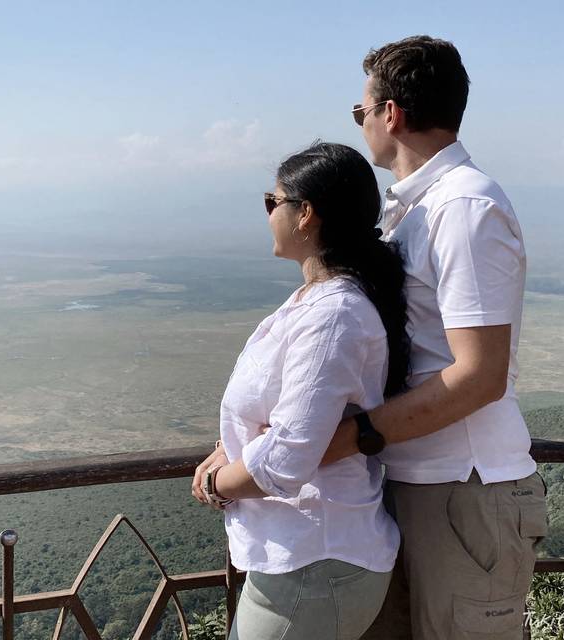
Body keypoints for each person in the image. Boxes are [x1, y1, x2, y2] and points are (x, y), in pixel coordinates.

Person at [321, 36, 548, 640]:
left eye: (359, 111)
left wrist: (355, 437)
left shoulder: (465, 207)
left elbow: (478, 374)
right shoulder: (418, 208)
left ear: (389, 113)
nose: (361, 123)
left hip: (463, 488)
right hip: (420, 479)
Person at [191, 141, 410, 640]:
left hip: (316, 560)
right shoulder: (315, 302)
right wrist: (236, 445)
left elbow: (289, 454)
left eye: (273, 203)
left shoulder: (334, 314)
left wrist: (215, 485)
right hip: (302, 559)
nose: (268, 215)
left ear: (305, 214)